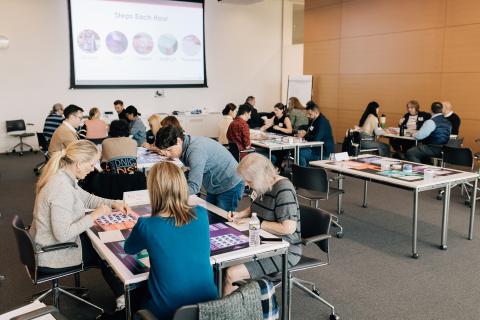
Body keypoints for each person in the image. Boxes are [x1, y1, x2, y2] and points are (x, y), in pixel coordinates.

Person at [30, 140, 128, 312]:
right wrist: (94, 216)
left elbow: (88, 198)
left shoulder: (63, 176)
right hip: (53, 251)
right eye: (91, 164)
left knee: (100, 241)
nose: (93, 168)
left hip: (47, 242)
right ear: (78, 164)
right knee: (106, 249)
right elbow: (62, 234)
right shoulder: (60, 188)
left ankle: (121, 291)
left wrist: (114, 203)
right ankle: (123, 296)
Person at [124, 162, 217, 319]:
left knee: (136, 299)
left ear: (153, 191)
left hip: (169, 311)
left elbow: (129, 249)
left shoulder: (146, 225)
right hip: (209, 305)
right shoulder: (201, 214)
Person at [223, 153, 301, 295]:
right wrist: (239, 214)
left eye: (249, 181)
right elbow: (255, 207)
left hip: (284, 249)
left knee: (231, 274)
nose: (246, 184)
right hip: (262, 240)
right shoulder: (262, 185)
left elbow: (288, 228)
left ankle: (230, 313)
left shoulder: (284, 189)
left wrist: (257, 223)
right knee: (223, 259)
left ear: (259, 176)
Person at [155, 126, 244, 211]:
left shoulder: (195, 151)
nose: (166, 154)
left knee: (221, 221)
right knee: (211, 217)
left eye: (169, 150)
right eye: (163, 151)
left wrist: (169, 196)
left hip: (230, 184)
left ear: (178, 141)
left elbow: (194, 186)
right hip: (214, 184)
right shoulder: (185, 144)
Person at [297, 101, 335, 165]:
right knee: (299, 150)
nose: (307, 116)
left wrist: (304, 135)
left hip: (324, 152)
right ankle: (306, 170)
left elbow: (317, 138)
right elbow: (309, 128)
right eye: (307, 114)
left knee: (300, 153)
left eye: (310, 114)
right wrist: (300, 128)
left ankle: (304, 172)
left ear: (316, 112)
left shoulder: (322, 122)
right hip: (316, 148)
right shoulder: (314, 119)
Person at [261, 103, 293, 168]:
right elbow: (267, 125)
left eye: (277, 110)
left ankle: (277, 167)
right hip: (276, 139)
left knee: (279, 152)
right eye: (274, 110)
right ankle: (274, 166)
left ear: (282, 110)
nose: (275, 112)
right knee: (268, 149)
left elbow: (290, 130)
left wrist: (279, 128)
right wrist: (261, 130)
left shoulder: (286, 118)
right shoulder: (274, 117)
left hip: (285, 141)